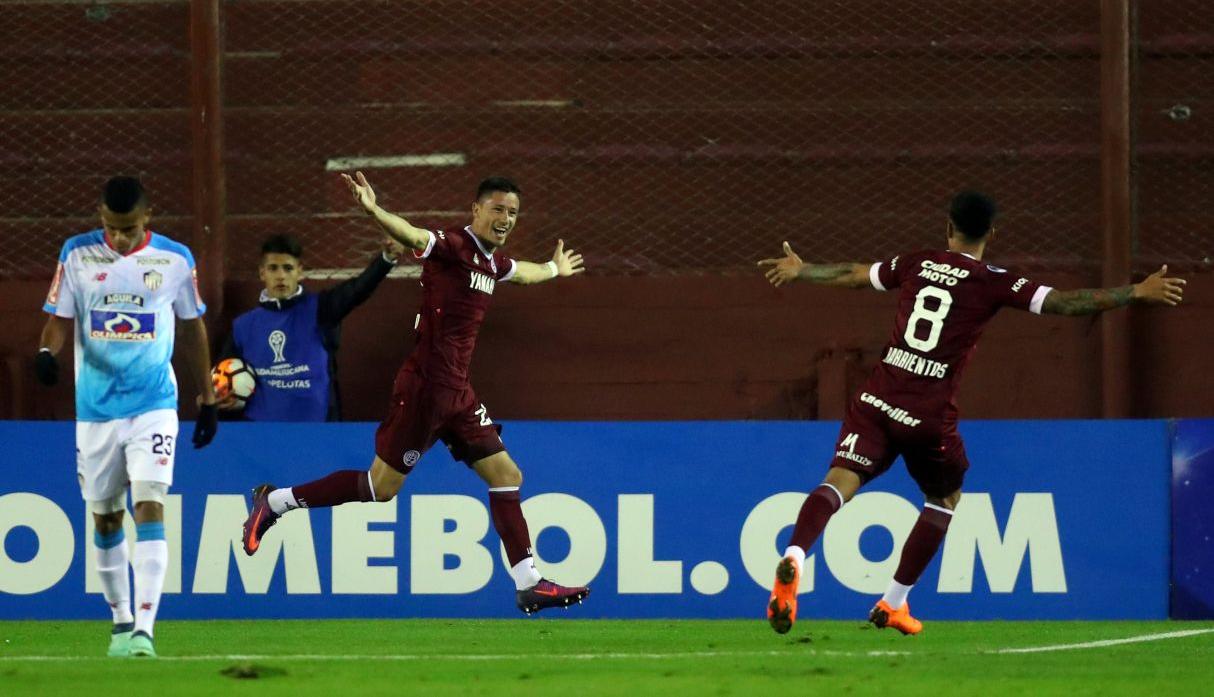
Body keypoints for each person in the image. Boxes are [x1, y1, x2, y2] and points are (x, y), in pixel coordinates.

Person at [757, 190, 1185, 635]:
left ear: (948, 227)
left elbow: (855, 274)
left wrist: (802, 270)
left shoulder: (918, 262)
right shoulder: (993, 281)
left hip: (877, 397)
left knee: (838, 481)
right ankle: (893, 603)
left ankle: (794, 556)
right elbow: (1065, 302)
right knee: (944, 499)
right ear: (992, 234)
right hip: (925, 413)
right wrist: (1136, 291)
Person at [241, 172, 591, 614]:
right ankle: (275, 502)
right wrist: (374, 210)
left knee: (507, 475)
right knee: (379, 488)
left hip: (458, 393)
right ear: (476, 209)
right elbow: (411, 233)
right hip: (425, 388)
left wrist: (555, 269)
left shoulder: (491, 263)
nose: (506, 218)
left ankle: (529, 583)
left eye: (513, 212)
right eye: (498, 209)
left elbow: (523, 273)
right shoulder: (452, 246)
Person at [35, 176, 219, 657]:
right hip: (95, 409)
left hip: (153, 405)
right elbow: (58, 320)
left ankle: (144, 630)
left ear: (147, 218)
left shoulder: (174, 259)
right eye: (112, 228)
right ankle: (120, 623)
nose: (119, 238)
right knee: (105, 518)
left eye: (129, 229)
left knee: (150, 504)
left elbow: (193, 327)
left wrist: (207, 398)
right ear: (101, 218)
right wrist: (46, 353)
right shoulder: (77, 254)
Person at [218, 233, 406, 421]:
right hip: (260, 431)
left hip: (317, 429)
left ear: (299, 272)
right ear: (262, 273)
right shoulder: (243, 326)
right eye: (273, 268)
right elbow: (222, 376)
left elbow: (357, 290)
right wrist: (216, 397)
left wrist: (386, 260)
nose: (281, 276)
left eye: (288, 268)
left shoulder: (321, 308)